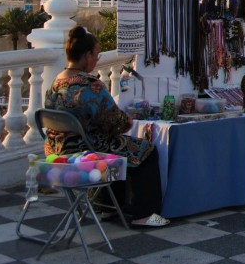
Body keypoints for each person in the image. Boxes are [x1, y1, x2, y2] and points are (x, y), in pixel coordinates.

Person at [44, 26, 169, 227]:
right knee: (145, 149)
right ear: (86, 56)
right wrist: (128, 120)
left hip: (57, 150)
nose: (97, 60)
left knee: (115, 143)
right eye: (96, 55)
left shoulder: (55, 84)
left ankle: (107, 207)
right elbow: (120, 122)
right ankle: (144, 214)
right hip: (86, 153)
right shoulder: (90, 86)